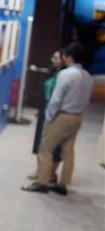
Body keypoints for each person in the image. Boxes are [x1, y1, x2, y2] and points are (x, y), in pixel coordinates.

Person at [23, 42, 93, 195]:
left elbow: (56, 99)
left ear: (69, 57)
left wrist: (49, 116)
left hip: (62, 116)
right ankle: (63, 184)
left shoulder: (65, 74)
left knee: (45, 149)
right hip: (77, 117)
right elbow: (87, 99)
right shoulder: (87, 76)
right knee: (68, 151)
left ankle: (42, 182)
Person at [28, 50, 64, 182]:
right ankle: (39, 170)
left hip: (57, 113)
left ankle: (51, 173)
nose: (54, 60)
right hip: (45, 109)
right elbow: (44, 92)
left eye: (57, 58)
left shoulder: (65, 75)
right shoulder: (52, 72)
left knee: (54, 145)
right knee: (40, 141)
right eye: (53, 57)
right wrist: (39, 108)